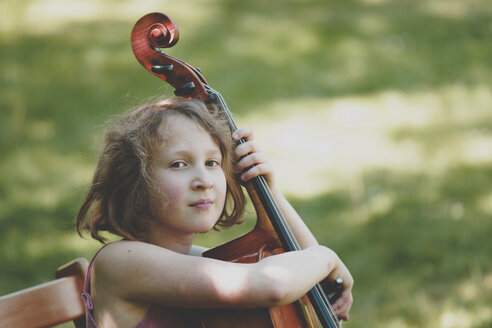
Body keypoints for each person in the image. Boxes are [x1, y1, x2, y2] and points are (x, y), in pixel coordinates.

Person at [76, 97, 353, 327]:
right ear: (135, 183)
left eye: (212, 162)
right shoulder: (122, 262)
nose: (204, 180)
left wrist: (267, 192)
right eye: (178, 164)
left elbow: (292, 260)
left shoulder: (196, 260)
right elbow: (272, 285)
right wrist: (326, 257)